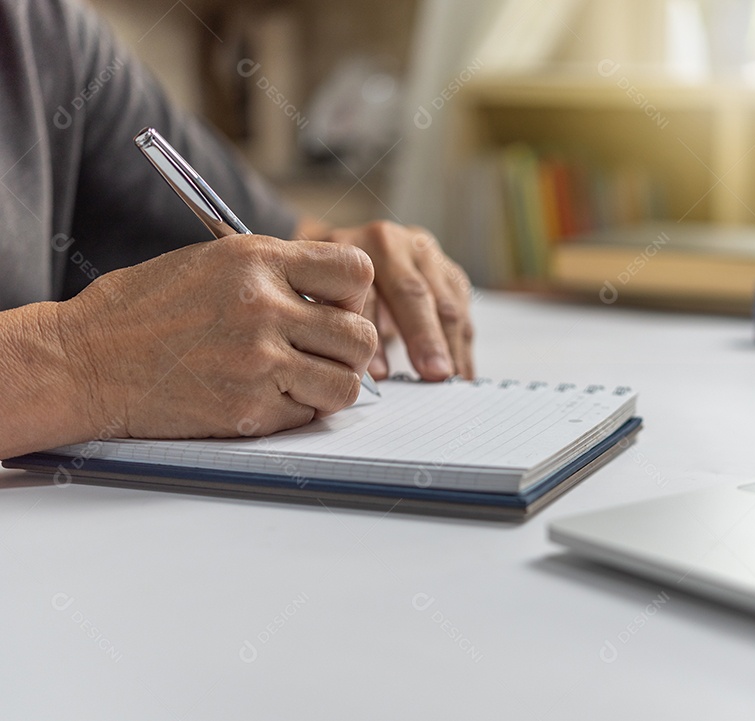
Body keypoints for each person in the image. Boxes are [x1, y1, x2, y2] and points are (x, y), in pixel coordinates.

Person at [0, 0, 475, 459]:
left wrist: (343, 255)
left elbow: (273, 238)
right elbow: (101, 355)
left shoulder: (41, 30)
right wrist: (85, 364)